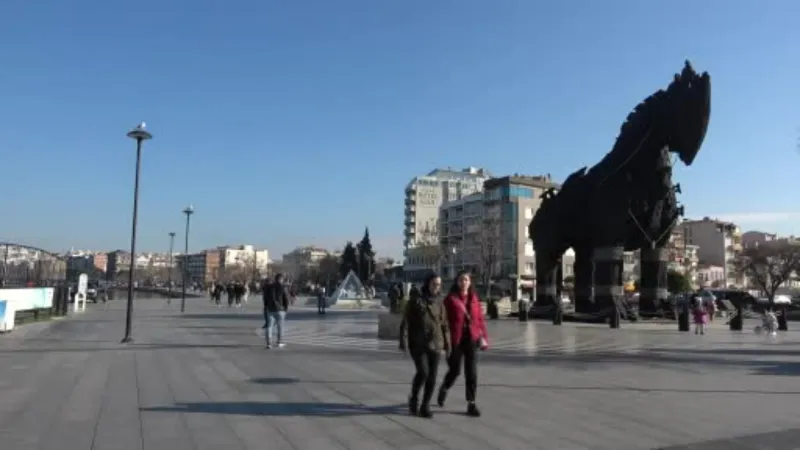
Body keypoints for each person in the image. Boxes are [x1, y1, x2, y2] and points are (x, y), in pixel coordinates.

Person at [437, 270, 489, 417]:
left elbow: (479, 320)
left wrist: (484, 338)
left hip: (471, 339)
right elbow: (442, 320)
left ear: (470, 282)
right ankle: (445, 387)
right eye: (461, 280)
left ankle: (471, 403)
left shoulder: (474, 298)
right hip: (456, 340)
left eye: (466, 280)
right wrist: (443, 340)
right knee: (455, 370)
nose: (463, 282)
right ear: (457, 282)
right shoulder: (450, 299)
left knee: (471, 372)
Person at [399, 272, 449, 418]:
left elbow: (444, 324)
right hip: (418, 343)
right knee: (423, 372)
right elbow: (406, 322)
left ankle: (425, 405)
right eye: (434, 284)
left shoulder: (440, 301)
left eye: (439, 284)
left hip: (436, 343)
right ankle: (414, 397)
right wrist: (403, 340)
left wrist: (448, 344)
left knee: (432, 377)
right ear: (427, 283)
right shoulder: (416, 300)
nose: (436, 287)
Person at [262, 273, 291, 349]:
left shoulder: (269, 287)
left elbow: (265, 298)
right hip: (280, 310)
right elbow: (286, 298)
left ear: (275, 279)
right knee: (280, 326)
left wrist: (266, 306)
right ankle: (279, 342)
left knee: (269, 326)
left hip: (270, 309)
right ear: (281, 279)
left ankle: (269, 343)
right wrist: (285, 308)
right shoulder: (283, 287)